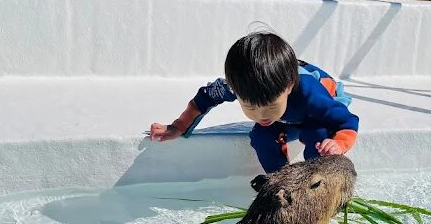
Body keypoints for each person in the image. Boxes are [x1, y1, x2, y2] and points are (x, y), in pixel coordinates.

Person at [150, 31, 358, 173]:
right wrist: (178, 126)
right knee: (262, 136)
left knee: (319, 140)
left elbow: (347, 121)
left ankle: (317, 184)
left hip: (318, 112)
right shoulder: (238, 85)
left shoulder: (309, 93)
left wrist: (338, 144)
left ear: (288, 86)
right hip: (288, 115)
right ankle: (280, 181)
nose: (261, 115)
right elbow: (202, 100)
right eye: (250, 107)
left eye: (269, 106)